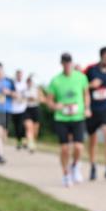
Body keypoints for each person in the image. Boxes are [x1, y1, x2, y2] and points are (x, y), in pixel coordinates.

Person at [44, 53, 91, 187]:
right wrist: (55, 106)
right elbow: (49, 101)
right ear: (62, 64)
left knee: (78, 147)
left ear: (72, 63)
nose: (67, 65)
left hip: (78, 116)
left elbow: (86, 94)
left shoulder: (81, 77)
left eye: (69, 62)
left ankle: (75, 165)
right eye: (65, 63)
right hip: (62, 117)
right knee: (64, 149)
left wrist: (87, 108)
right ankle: (66, 174)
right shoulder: (56, 80)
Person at [85, 47, 106, 180]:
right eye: (105, 57)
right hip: (93, 109)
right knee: (93, 139)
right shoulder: (91, 70)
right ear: (101, 57)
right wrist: (91, 85)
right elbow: (82, 86)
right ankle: (93, 166)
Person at [21, 75, 42, 153]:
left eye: (30, 81)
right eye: (28, 81)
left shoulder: (37, 89)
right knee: (28, 127)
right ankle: (31, 144)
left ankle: (32, 142)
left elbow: (43, 99)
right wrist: (26, 99)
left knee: (35, 130)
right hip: (27, 109)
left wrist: (35, 98)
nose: (29, 83)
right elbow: (20, 99)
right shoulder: (24, 90)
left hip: (36, 109)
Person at [10, 69, 28, 150]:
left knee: (22, 126)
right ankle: (18, 142)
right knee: (17, 127)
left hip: (23, 108)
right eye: (18, 75)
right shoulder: (13, 84)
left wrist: (22, 99)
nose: (19, 76)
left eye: (20, 75)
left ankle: (24, 141)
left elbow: (26, 95)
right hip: (14, 108)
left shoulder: (25, 85)